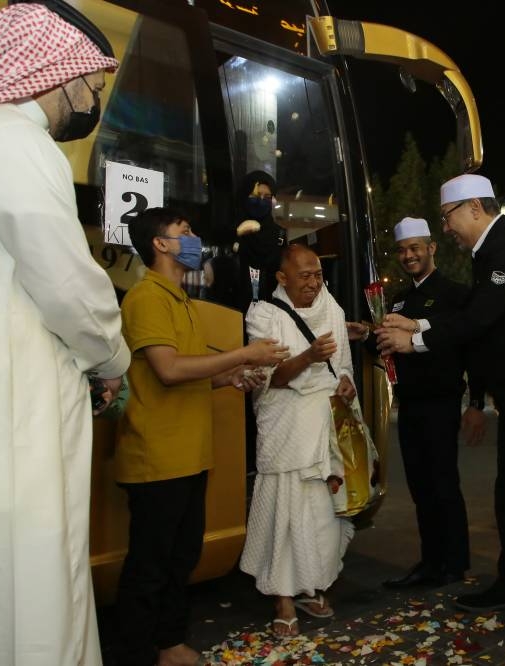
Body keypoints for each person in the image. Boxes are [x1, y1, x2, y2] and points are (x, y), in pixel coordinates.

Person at [0, 4, 129, 664]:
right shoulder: (13, 137)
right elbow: (68, 288)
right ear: (54, 75)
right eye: (89, 87)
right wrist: (111, 355)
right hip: (16, 405)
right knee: (34, 582)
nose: (88, 104)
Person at [376, 174, 505, 644]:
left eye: (448, 218)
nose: (446, 227)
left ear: (473, 207)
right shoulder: (490, 251)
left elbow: (478, 318)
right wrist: (423, 320)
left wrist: (416, 341)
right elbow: (476, 307)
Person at [115, 207, 288, 666]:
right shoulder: (147, 298)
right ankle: (136, 653)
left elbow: (187, 373)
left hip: (189, 453)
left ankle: (169, 643)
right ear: (160, 244)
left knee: (179, 560)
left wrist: (231, 375)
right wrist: (243, 352)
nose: (193, 239)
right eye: (184, 232)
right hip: (157, 457)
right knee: (149, 568)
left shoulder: (180, 299)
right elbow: (168, 371)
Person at [239, 244, 357, 636]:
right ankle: (283, 597)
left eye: (318, 274)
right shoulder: (263, 314)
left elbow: (343, 368)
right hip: (286, 425)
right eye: (304, 275)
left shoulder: (333, 308)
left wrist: (346, 383)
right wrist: (308, 356)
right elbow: (272, 378)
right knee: (284, 512)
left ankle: (310, 586)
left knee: (322, 514)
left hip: (325, 424)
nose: (313, 282)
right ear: (282, 278)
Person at [380, 217, 486, 590]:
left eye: (415, 248)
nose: (409, 256)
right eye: (403, 250)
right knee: (420, 487)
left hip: (441, 403)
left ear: (432, 248)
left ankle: (454, 564)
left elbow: (475, 352)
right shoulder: (397, 300)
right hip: (408, 405)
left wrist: (476, 403)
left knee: (443, 483)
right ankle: (430, 561)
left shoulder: (456, 294)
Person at [236, 170, 285, 311]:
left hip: (271, 315)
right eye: (256, 196)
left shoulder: (280, 235)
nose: (261, 201)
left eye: (267, 197)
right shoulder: (232, 232)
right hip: (233, 312)